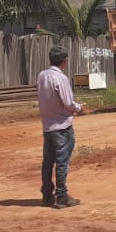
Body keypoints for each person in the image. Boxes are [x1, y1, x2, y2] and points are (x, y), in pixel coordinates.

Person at [37, 45, 84, 208]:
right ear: (64, 61)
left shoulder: (42, 75)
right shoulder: (61, 78)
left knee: (48, 162)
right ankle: (62, 196)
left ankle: (46, 196)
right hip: (62, 126)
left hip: (47, 126)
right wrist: (78, 108)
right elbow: (67, 103)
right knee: (62, 162)